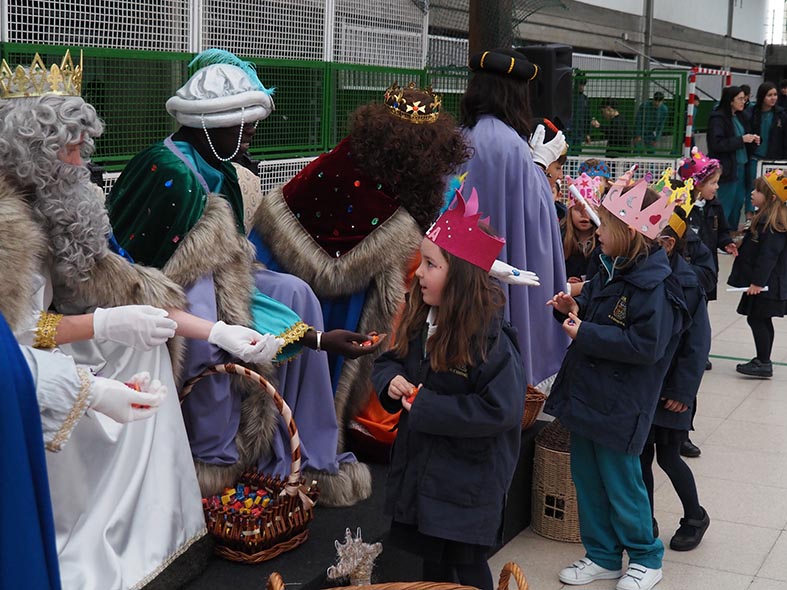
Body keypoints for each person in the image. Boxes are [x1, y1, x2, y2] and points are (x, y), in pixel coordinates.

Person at [0, 51, 277, 589]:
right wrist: (106, 326)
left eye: (82, 146)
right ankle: (102, 527)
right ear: (31, 154)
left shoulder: (64, 204)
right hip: (22, 366)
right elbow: (20, 336)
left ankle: (156, 528)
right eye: (70, 148)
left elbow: (128, 286)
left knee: (145, 347)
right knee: (133, 347)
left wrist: (218, 332)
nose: (82, 162)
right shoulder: (11, 226)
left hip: (51, 346)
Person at [108, 50, 381, 505]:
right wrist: (224, 320)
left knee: (296, 292)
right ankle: (211, 460)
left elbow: (234, 265)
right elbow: (153, 274)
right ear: (212, 122)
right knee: (208, 321)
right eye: (244, 122)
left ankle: (306, 454)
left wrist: (314, 337)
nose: (252, 131)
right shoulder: (168, 169)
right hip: (173, 300)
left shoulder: (223, 171)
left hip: (223, 284)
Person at [250, 80, 472, 456]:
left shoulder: (350, 161)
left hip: (290, 281)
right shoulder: (379, 189)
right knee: (327, 365)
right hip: (324, 293)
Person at [372, 186, 525, 590]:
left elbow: (502, 410)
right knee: (433, 564)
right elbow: (389, 360)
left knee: (467, 565)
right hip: (426, 474)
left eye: (430, 264)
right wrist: (390, 382)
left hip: (468, 483)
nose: (418, 273)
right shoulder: (421, 318)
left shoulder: (490, 341)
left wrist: (426, 406)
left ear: (459, 277)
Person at [545, 170, 687, 590]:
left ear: (630, 233)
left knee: (623, 486)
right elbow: (591, 310)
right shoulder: (610, 269)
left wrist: (585, 332)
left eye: (605, 224)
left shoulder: (655, 286)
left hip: (621, 406)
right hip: (589, 397)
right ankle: (603, 555)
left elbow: (645, 346)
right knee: (588, 482)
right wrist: (569, 308)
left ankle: (646, 557)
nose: (597, 229)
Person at [457, 47, 569, 391]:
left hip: (460, 268)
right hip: (500, 276)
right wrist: (539, 165)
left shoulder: (461, 136)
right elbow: (536, 219)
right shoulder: (510, 144)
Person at [641, 205, 711, 553]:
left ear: (667, 244)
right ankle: (646, 519)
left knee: (668, 457)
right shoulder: (643, 274)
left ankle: (695, 516)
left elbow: (697, 345)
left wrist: (683, 391)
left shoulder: (687, 283)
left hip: (672, 392)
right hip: (645, 388)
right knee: (640, 456)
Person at [727, 170, 787, 379]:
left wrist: (757, 283)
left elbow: (768, 256)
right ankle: (763, 359)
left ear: (772, 198)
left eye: (757, 191)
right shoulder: (763, 220)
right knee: (759, 319)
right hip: (764, 283)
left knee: (758, 319)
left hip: (767, 285)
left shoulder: (773, 225)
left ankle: (764, 361)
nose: (752, 193)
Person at [707, 85, 760, 231]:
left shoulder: (741, 116)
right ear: (731, 100)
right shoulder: (718, 118)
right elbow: (717, 144)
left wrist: (753, 140)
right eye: (740, 99)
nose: (743, 102)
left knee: (738, 202)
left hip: (742, 165)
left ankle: (731, 231)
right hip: (728, 166)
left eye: (745, 99)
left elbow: (745, 137)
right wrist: (741, 140)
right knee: (726, 202)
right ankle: (720, 233)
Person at [745, 82, 787, 224]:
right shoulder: (751, 113)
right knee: (753, 187)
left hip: (774, 159)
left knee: (772, 189)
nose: (773, 98)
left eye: (775, 95)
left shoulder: (781, 114)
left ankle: (770, 217)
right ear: (762, 96)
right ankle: (750, 216)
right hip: (755, 157)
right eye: (769, 95)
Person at [562, 173, 602, 296]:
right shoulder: (561, 237)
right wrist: (564, 280)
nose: (584, 215)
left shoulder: (603, 241)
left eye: (589, 209)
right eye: (578, 210)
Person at [569, 72, 591, 151]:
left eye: (583, 85)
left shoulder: (585, 99)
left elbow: (587, 116)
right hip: (569, 131)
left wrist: (587, 133)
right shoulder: (568, 97)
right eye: (580, 85)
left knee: (576, 152)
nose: (582, 87)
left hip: (579, 131)